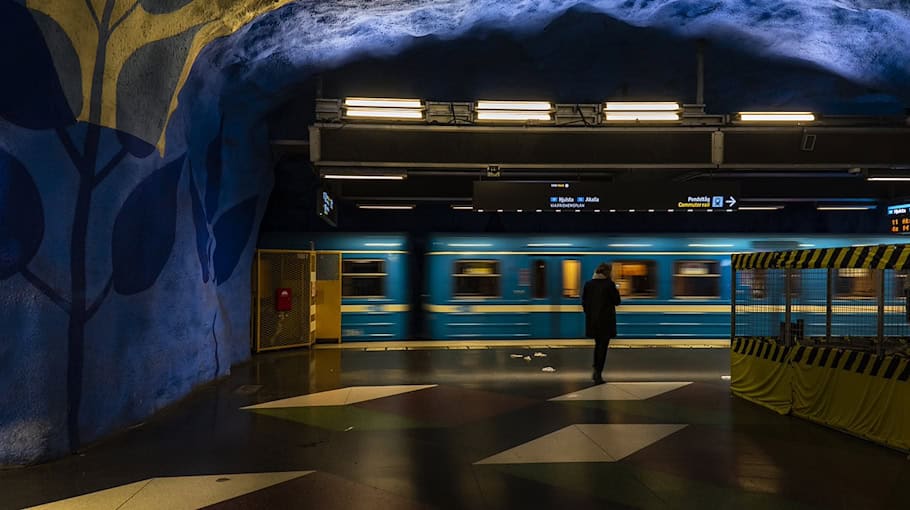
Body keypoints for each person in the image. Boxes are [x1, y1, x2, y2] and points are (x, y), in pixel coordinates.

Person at [582, 262, 621, 384]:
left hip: (593, 322)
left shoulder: (588, 284)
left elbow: (584, 303)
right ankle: (598, 373)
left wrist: (590, 315)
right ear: (608, 273)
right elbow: (617, 301)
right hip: (606, 322)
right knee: (602, 348)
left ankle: (596, 370)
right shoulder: (609, 285)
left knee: (597, 346)